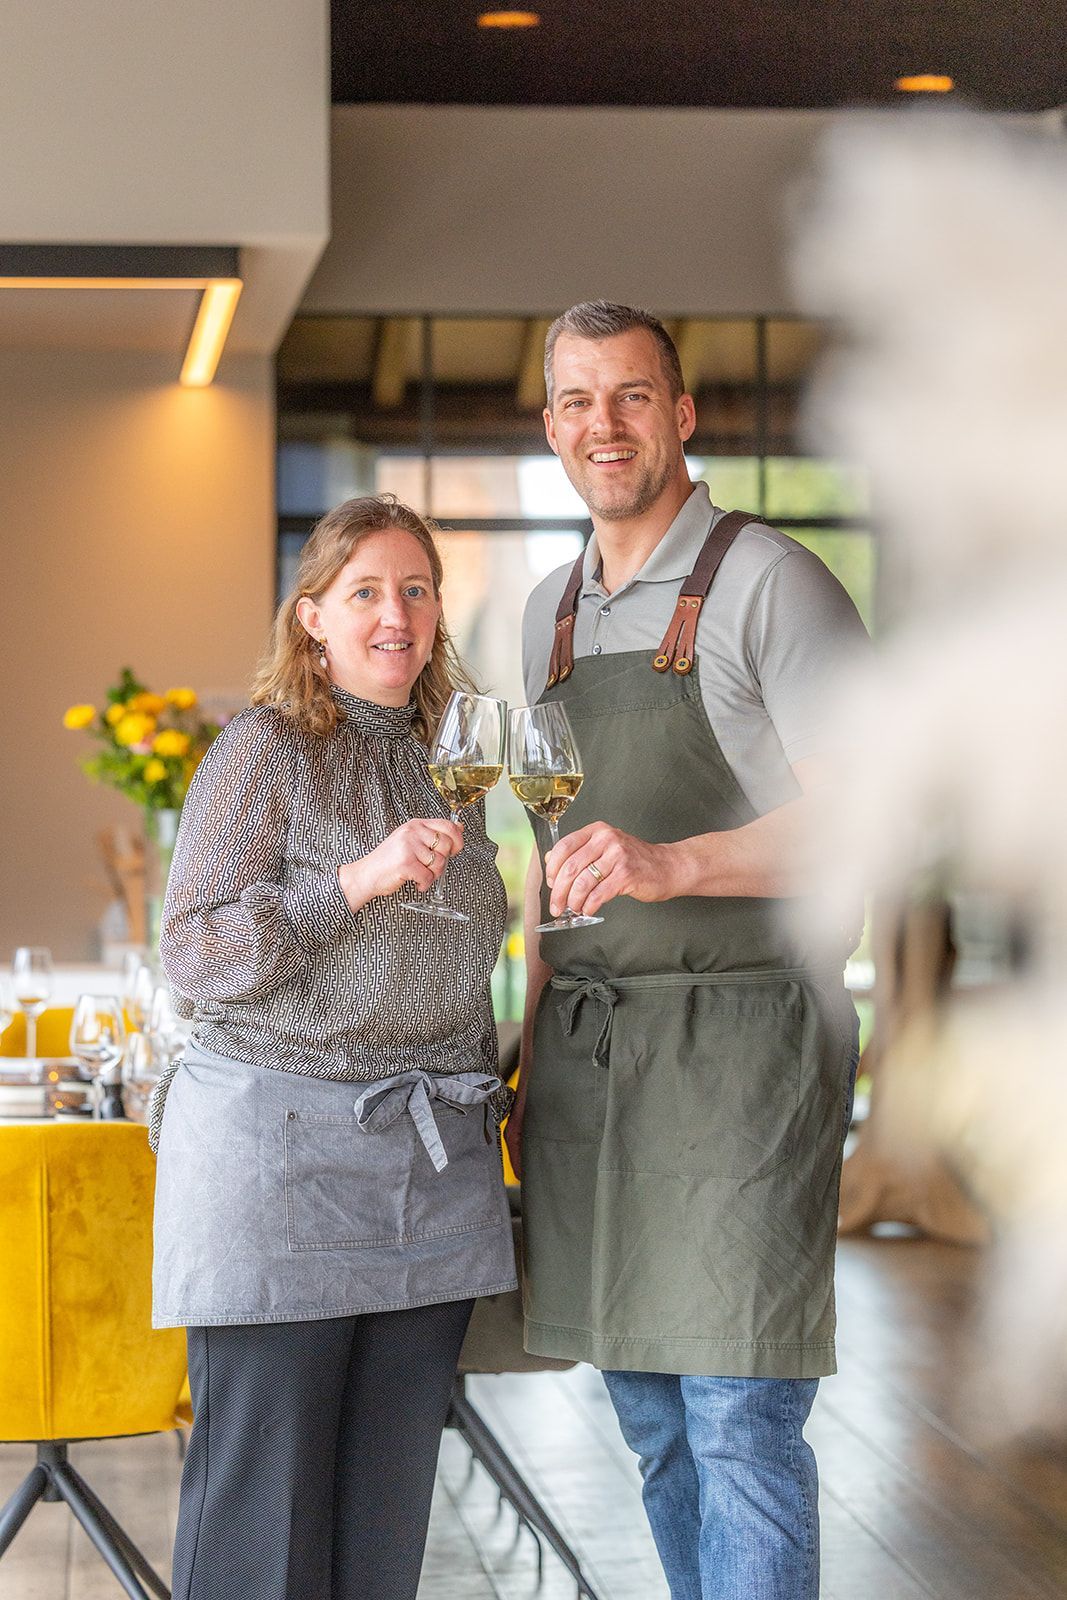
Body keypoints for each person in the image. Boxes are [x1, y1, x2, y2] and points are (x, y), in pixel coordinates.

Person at [505, 302, 868, 1600]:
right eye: (574, 401)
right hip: (593, 1059)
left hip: (741, 1043)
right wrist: (526, 1051)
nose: (601, 425)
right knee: (650, 1422)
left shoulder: (770, 582)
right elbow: (546, 865)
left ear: (680, 413)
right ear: (549, 426)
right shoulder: (546, 612)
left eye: (629, 396)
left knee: (734, 1412)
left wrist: (673, 863)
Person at [150, 494, 516, 1600]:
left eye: (415, 589)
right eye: (365, 592)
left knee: (385, 1507)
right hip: (277, 1161)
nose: (394, 614)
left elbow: (453, 958)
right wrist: (351, 882)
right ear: (311, 616)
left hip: (425, 1166)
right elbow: (191, 951)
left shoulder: (443, 758)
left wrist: (493, 1096)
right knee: (263, 1506)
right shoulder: (261, 750)